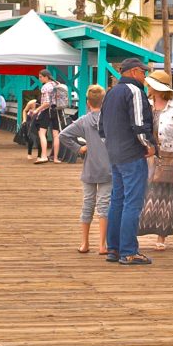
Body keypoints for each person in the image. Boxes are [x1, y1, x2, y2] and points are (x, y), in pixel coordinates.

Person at [99, 58, 155, 266]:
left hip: (114, 154)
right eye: (143, 72)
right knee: (133, 202)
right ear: (133, 72)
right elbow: (140, 124)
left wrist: (112, 146)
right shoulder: (134, 91)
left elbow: (101, 127)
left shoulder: (111, 92)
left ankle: (113, 248)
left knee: (117, 201)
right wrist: (149, 145)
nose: (145, 77)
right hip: (132, 154)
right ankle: (129, 251)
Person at [59, 84, 112, 255]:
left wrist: (79, 148)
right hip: (108, 168)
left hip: (90, 168)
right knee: (104, 206)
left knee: (88, 204)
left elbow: (63, 135)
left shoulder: (84, 121)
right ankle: (103, 245)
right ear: (104, 103)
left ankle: (84, 243)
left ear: (88, 103)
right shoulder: (110, 120)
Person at [138, 70, 173, 251]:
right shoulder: (145, 104)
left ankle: (161, 236)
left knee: (166, 196)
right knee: (143, 193)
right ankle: (137, 230)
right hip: (147, 154)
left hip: (168, 154)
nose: (148, 87)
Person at [31, 69, 67, 164]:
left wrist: (37, 110)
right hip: (57, 111)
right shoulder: (57, 84)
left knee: (42, 133)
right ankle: (55, 158)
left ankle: (43, 156)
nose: (39, 79)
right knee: (56, 135)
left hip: (47, 111)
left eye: (40, 77)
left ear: (46, 77)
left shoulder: (45, 87)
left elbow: (46, 103)